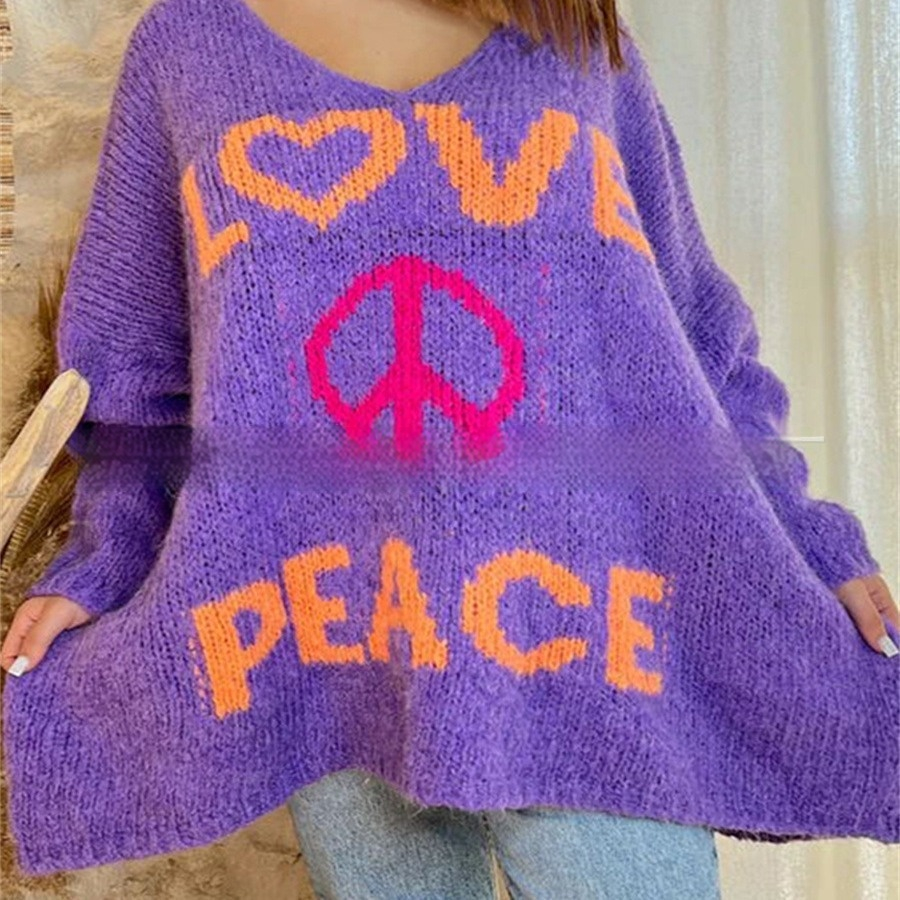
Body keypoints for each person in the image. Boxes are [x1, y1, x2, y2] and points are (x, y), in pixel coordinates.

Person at [2, 0, 897, 892]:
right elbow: (134, 374)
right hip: (332, 643)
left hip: (589, 643)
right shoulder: (187, 47)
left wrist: (812, 537)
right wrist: (101, 562)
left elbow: (699, 343)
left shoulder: (578, 41)